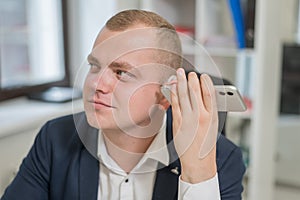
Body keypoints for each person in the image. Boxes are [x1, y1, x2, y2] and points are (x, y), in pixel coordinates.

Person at [1, 9, 245, 200]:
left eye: (121, 73)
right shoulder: (54, 139)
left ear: (164, 95)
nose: (97, 84)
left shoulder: (221, 159)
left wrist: (196, 173)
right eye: (94, 66)